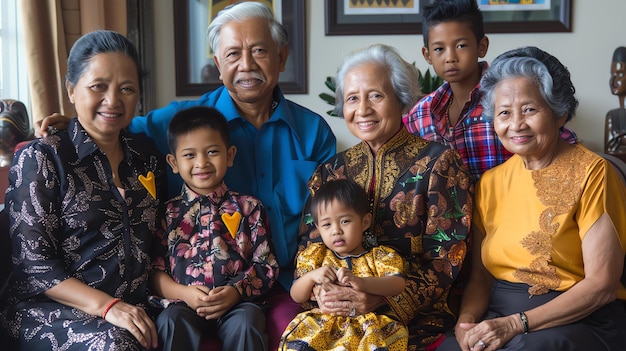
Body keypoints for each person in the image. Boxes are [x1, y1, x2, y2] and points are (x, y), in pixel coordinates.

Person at [38, 3, 336, 348]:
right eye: (233, 54)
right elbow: (113, 122)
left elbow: (325, 221)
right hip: (187, 294)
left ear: (281, 58)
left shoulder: (313, 131)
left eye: (259, 51)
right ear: (218, 65)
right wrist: (72, 122)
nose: (247, 65)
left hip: (286, 281)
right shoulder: (185, 122)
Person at [438, 46, 626, 351]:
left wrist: (515, 324)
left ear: (559, 112)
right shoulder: (490, 182)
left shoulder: (594, 174)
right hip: (499, 315)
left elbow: (602, 286)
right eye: (504, 113)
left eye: (529, 109)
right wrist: (467, 322)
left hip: (576, 319)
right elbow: (480, 279)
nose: (516, 124)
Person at [297, 43, 473, 351]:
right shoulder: (330, 172)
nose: (362, 109)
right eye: (352, 98)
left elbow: (447, 260)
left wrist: (380, 297)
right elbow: (308, 249)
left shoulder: (440, 164)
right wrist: (325, 293)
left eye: (376, 95)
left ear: (402, 100)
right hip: (335, 317)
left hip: (415, 318)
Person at [0, 30, 166, 350]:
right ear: (71, 89)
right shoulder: (42, 158)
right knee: (117, 342)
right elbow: (34, 266)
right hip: (49, 308)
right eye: (98, 86)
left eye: (126, 88)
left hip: (133, 304)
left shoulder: (148, 157)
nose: (113, 100)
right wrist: (106, 306)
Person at [402, 0, 577, 182]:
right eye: (439, 49)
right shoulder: (420, 115)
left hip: (514, 204)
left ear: (482, 46)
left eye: (461, 45)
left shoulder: (511, 96)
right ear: (427, 55)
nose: (450, 57)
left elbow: (565, 143)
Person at [151, 106, 279, 351]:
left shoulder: (249, 207)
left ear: (230, 155)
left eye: (212, 152)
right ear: (173, 162)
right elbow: (154, 270)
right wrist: (184, 293)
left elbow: (266, 265)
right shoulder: (166, 213)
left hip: (237, 304)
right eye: (189, 155)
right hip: (183, 304)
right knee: (170, 321)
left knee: (247, 322)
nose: (202, 163)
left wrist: (235, 292)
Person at [281, 179, 407, 350]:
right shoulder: (316, 256)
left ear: (365, 222)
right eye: (327, 224)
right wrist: (311, 276)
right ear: (318, 228)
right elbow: (296, 295)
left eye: (345, 221)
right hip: (322, 326)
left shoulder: (379, 256)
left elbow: (397, 284)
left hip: (368, 328)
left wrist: (362, 282)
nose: (336, 230)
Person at [605, 46, 626, 157]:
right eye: (612, 75)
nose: (613, 81)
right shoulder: (612, 116)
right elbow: (610, 152)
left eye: (620, 74)